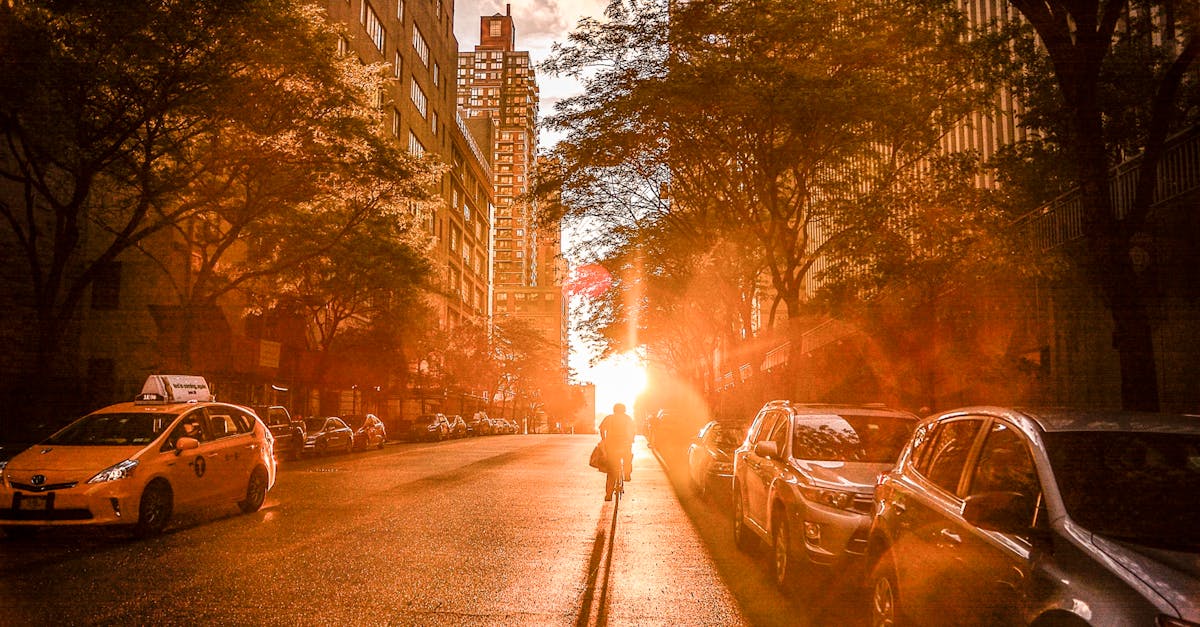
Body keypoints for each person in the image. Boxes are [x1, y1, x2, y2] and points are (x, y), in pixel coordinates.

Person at [598, 403, 635, 501]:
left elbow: (601, 429)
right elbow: (633, 430)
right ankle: (627, 474)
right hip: (625, 445)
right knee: (628, 458)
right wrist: (631, 440)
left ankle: (608, 495)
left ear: (614, 409)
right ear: (624, 409)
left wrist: (604, 439)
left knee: (611, 471)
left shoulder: (609, 418)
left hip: (612, 446)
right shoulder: (628, 418)